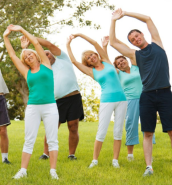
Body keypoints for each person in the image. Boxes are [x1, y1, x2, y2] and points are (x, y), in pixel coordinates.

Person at [109, 8, 172, 176]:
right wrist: (114, 20)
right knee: (148, 132)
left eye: (137, 36)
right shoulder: (134, 55)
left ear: (142, 35)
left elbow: (148, 18)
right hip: (147, 96)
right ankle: (148, 167)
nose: (135, 39)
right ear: (132, 44)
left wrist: (126, 13)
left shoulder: (157, 43)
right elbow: (113, 42)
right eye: (132, 40)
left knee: (171, 130)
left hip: (166, 93)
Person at [3, 25, 59, 179]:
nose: (28, 57)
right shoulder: (27, 72)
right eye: (26, 57)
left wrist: (21, 29)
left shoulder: (46, 65)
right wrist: (5, 37)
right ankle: (23, 170)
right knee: (29, 139)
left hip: (50, 106)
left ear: (35, 55)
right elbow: (13, 56)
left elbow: (35, 42)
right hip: (33, 107)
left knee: (53, 139)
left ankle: (53, 171)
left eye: (30, 55)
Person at [66, 33, 127, 168]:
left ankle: (115, 160)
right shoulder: (91, 71)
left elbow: (94, 42)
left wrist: (80, 35)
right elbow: (74, 62)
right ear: (87, 62)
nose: (92, 57)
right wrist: (68, 44)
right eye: (88, 58)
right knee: (102, 131)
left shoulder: (106, 60)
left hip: (122, 99)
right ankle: (94, 160)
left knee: (118, 130)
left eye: (92, 54)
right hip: (107, 100)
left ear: (96, 55)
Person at [20, 36, 84, 160]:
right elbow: (26, 66)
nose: (47, 55)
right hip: (56, 101)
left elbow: (48, 44)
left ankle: (72, 155)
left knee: (73, 126)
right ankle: (46, 153)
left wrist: (30, 37)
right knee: (52, 127)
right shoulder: (44, 69)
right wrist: (25, 49)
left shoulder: (63, 58)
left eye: (48, 53)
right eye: (43, 55)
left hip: (73, 97)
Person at [101, 36, 156, 162]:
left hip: (146, 97)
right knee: (131, 125)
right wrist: (104, 46)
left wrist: (118, 42)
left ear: (126, 60)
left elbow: (130, 53)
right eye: (118, 63)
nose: (121, 63)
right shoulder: (119, 74)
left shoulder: (137, 66)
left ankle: (149, 154)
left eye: (122, 60)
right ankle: (130, 154)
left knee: (148, 125)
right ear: (118, 67)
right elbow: (106, 61)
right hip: (130, 101)